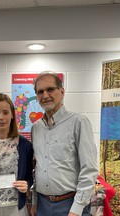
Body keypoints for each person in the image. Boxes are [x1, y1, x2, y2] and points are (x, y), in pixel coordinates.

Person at [30, 72, 99, 216]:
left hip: (70, 205)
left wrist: (77, 209)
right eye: (40, 92)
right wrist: (35, 202)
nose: (45, 95)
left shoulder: (78, 122)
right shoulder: (36, 128)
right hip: (43, 205)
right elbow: (37, 167)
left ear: (61, 92)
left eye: (50, 89)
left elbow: (89, 169)